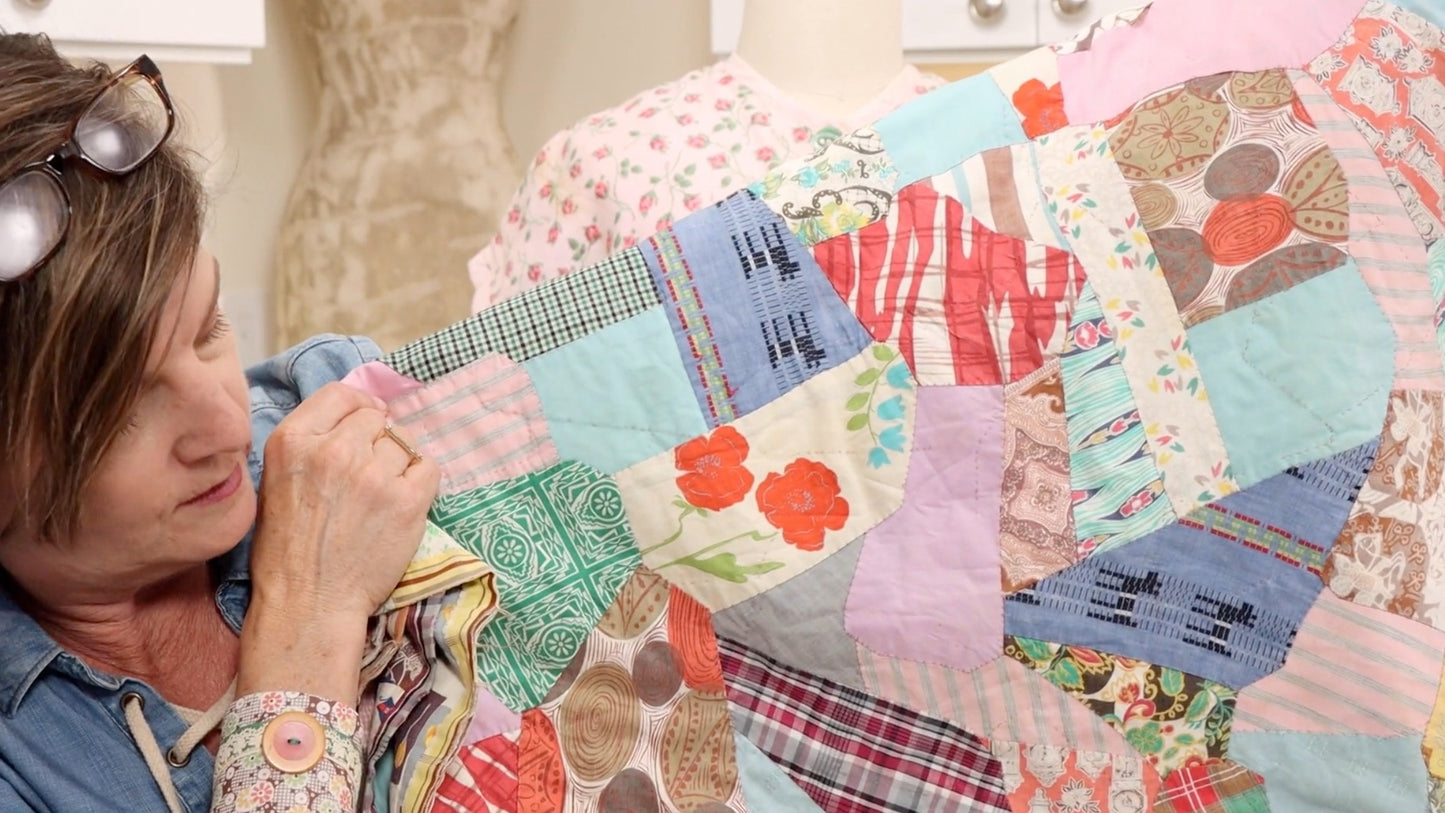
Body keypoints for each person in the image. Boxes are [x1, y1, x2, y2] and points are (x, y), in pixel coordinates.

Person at [0, 34, 442, 811]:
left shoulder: (335, 407)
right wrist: (308, 626)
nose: (229, 426)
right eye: (122, 410)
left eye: (209, 327)